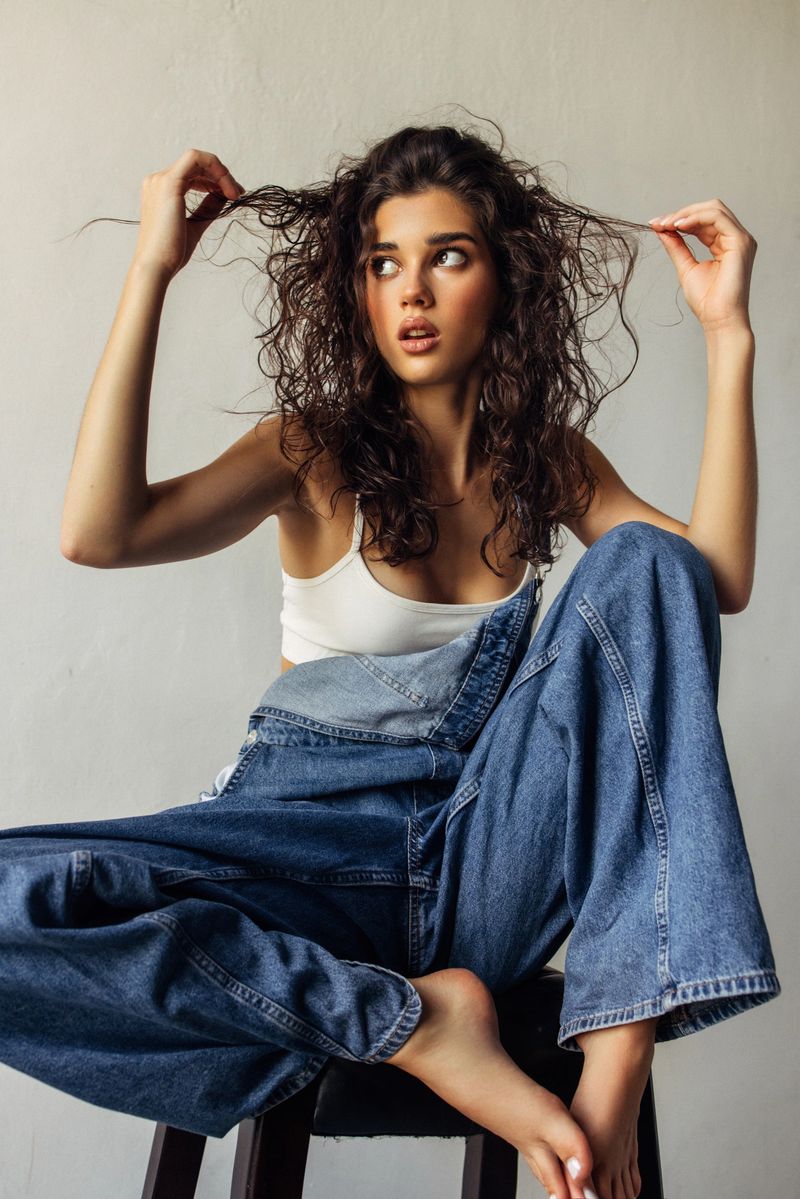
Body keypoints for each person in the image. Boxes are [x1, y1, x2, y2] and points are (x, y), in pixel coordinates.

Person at [0, 123, 780, 1199]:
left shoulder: (544, 463)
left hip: (482, 856)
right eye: (382, 263)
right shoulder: (310, 450)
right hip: (307, 850)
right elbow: (100, 531)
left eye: (447, 256)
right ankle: (410, 1021)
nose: (409, 291)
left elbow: (707, 582)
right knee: (9, 894)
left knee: (647, 561)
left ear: (503, 280)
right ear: (355, 289)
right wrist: (151, 267)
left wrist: (726, 334)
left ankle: (609, 1068)